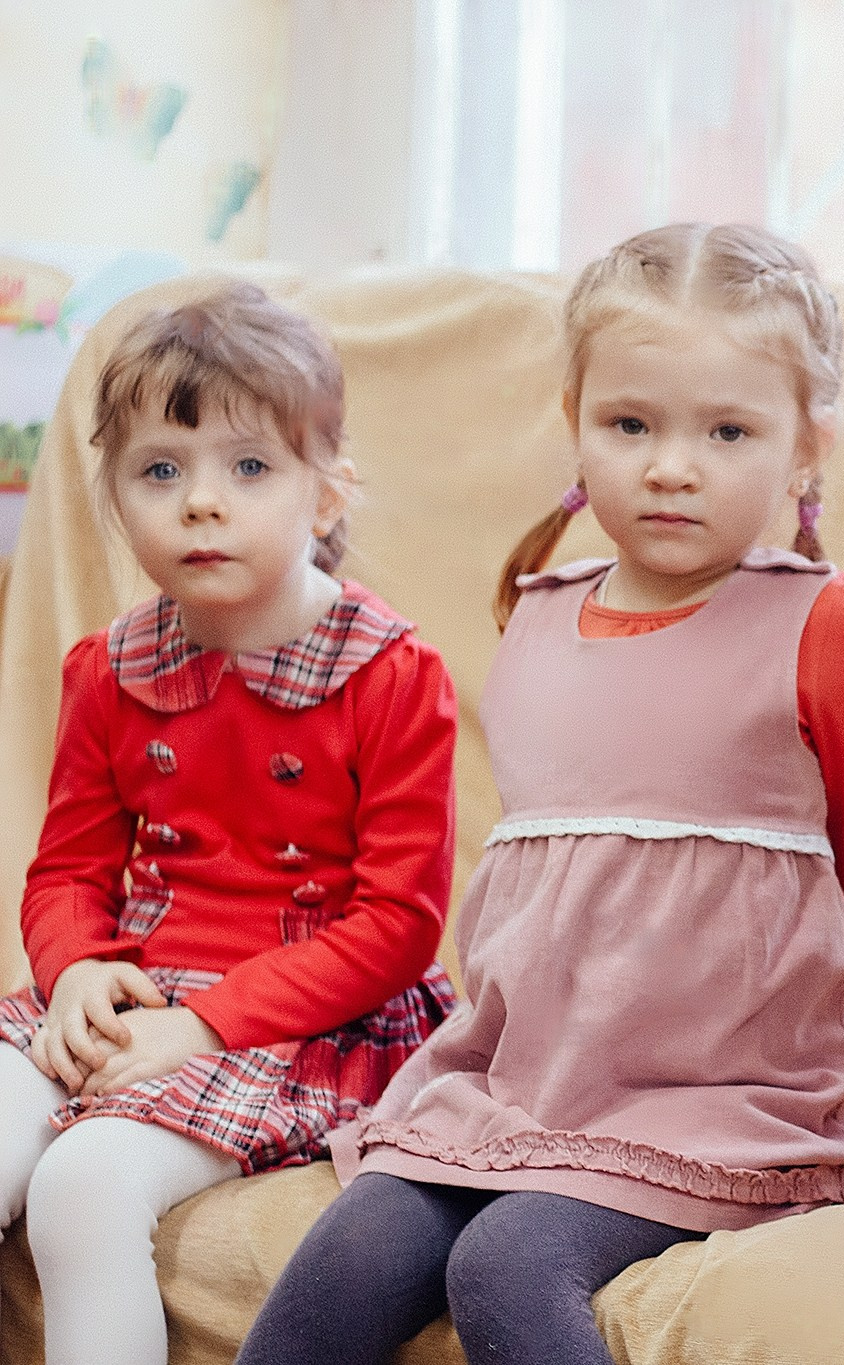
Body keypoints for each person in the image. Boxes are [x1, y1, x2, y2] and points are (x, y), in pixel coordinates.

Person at [238, 223, 844, 1365]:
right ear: (576, 420)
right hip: (519, 1084)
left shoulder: (822, 629)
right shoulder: (533, 611)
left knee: (505, 1261)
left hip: (718, 1099)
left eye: (727, 430)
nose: (670, 465)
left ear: (806, 447)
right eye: (629, 424)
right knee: (352, 1251)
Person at [1, 282, 458, 1365]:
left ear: (328, 491)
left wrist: (201, 1028)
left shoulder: (391, 676)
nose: (201, 502)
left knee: (84, 1187)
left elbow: (397, 924)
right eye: (161, 470)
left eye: (249, 467)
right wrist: (73, 972)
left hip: (303, 1027)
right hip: (128, 995)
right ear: (114, 495)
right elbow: (68, 868)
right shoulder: (109, 669)